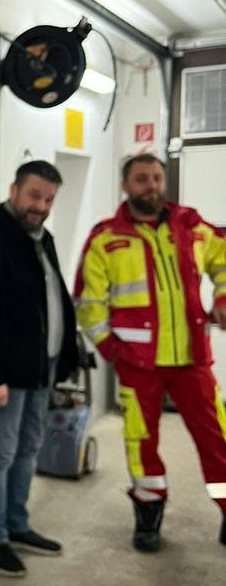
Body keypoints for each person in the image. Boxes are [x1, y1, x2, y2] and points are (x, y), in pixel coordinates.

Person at [75, 153, 226, 552]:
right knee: (141, 443)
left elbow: (224, 258)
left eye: (157, 178)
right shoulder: (106, 238)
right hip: (138, 365)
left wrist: (224, 295)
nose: (152, 186)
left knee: (218, 441)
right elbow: (89, 303)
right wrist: (113, 351)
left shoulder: (190, 225)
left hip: (193, 359)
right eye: (141, 179)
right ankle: (148, 514)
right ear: (125, 185)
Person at [0, 160, 78, 577]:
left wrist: (64, 357)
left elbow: (54, 303)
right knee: (0, 452)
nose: (40, 205)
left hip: (39, 367)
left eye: (48, 199)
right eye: (34, 196)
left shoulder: (41, 240)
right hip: (3, 374)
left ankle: (18, 524)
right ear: (14, 190)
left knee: (28, 449)